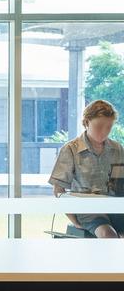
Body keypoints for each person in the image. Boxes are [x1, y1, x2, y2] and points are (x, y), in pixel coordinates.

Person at [49, 99, 124, 238]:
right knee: (108, 234)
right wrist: (75, 221)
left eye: (109, 127)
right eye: (99, 126)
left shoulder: (117, 149)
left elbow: (120, 185)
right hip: (87, 211)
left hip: (115, 207)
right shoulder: (71, 149)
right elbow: (58, 190)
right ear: (87, 122)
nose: (104, 131)